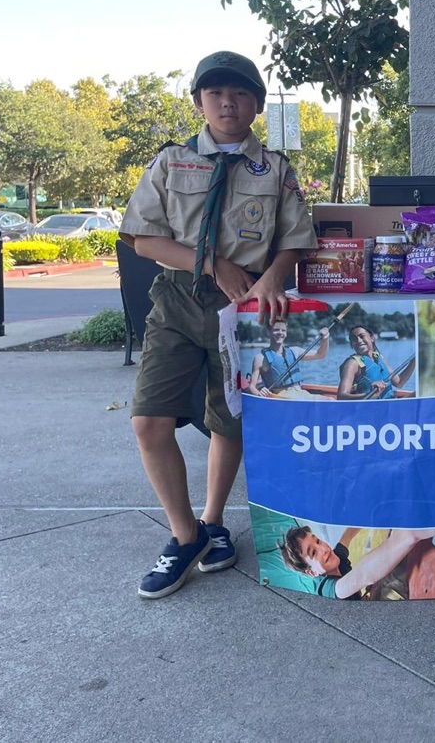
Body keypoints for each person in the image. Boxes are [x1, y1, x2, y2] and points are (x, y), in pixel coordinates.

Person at [119, 50, 317, 599]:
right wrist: (213, 263)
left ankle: (212, 524)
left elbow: (297, 239)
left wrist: (274, 277)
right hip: (181, 300)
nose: (227, 103)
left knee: (229, 420)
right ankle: (184, 538)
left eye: (239, 93)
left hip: (246, 305)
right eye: (215, 93)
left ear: (255, 103)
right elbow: (144, 238)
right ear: (199, 102)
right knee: (149, 421)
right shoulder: (171, 162)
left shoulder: (275, 168)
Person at [278, 525, 435, 600]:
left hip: (364, 601)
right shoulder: (328, 590)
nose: (324, 549)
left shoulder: (334, 557)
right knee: (397, 550)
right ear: (312, 572)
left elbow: (348, 533)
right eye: (313, 553)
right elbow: (364, 574)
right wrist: (409, 535)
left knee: (395, 545)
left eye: (318, 541)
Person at [246, 319, 329, 396]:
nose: (280, 332)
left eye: (283, 330)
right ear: (268, 332)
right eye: (276, 330)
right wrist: (259, 393)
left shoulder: (294, 351)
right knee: (329, 400)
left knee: (330, 399)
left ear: (286, 333)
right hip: (282, 398)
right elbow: (252, 386)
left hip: (300, 393)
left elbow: (320, 354)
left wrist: (325, 339)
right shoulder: (260, 358)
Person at [337, 325, 401, 400]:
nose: (359, 340)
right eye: (354, 338)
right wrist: (370, 395)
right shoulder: (352, 363)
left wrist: (414, 362)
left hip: (389, 404)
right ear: (351, 344)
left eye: (362, 336)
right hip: (368, 408)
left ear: (372, 338)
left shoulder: (381, 359)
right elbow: (341, 396)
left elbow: (399, 382)